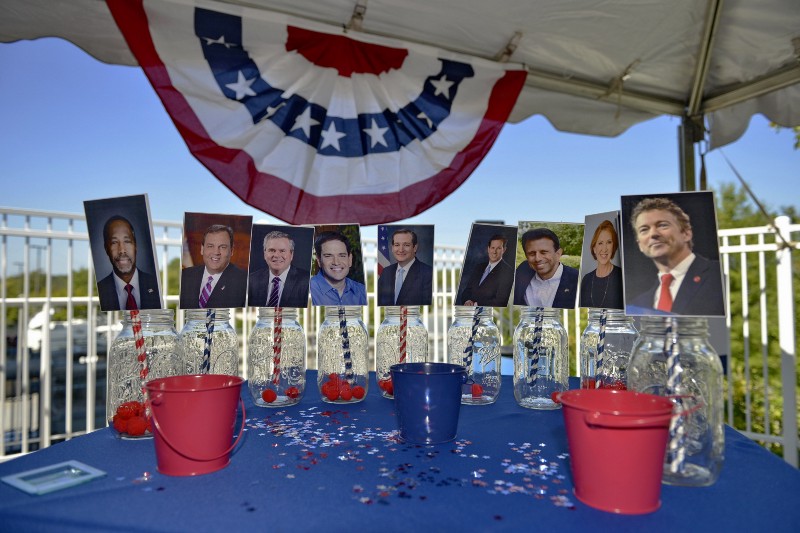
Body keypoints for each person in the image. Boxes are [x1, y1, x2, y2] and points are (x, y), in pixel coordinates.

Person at [627, 197, 724, 315]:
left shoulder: (719, 275)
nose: (653, 234)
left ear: (686, 233)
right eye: (644, 230)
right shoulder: (638, 304)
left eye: (662, 225)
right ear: (640, 245)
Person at [96, 215, 162, 311]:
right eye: (114, 242)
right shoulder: (100, 289)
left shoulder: (156, 285)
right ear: (106, 249)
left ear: (136, 246)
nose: (122, 250)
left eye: (127, 241)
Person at [179, 224, 247, 309]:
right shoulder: (185, 276)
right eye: (210, 246)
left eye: (222, 247)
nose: (216, 252)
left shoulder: (245, 282)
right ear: (202, 249)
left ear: (232, 251)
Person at [513, 228, 579, 308]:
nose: (538, 258)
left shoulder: (577, 280)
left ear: (558, 254)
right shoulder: (522, 271)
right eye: (532, 253)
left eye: (543, 252)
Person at [248, 230, 310, 308]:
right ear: (264, 254)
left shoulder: (307, 282)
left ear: (291, 254)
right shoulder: (252, 280)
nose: (276, 255)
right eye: (272, 250)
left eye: (282, 251)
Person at [377, 229, 433, 306]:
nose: (401, 250)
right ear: (392, 248)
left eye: (406, 245)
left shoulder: (428, 273)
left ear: (415, 247)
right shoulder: (386, 272)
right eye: (397, 245)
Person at [309, 231, 367, 305]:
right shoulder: (306, 291)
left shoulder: (363, 291)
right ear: (319, 261)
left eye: (342, 255)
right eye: (328, 256)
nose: (336, 262)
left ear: (350, 259)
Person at [457, 234, 514, 306]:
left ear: (504, 250)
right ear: (488, 249)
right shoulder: (479, 267)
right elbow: (467, 290)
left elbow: (501, 301)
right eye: (492, 248)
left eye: (498, 248)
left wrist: (475, 304)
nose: (494, 251)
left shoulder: (508, 272)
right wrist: (467, 300)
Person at [579, 220, 624, 309]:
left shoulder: (622, 277)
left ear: (613, 246)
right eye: (600, 243)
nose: (604, 249)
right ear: (594, 248)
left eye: (609, 242)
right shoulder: (586, 280)